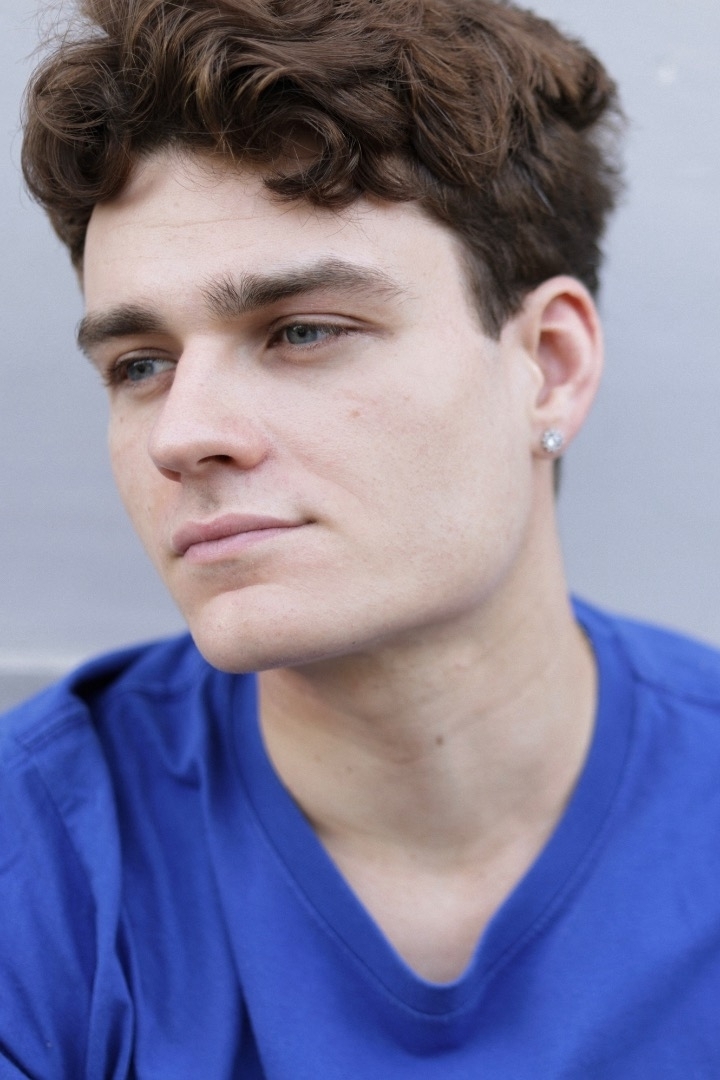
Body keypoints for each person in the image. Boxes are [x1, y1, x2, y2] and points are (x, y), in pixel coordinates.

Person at [2, 0, 719, 1075]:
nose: (181, 436)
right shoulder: (41, 861)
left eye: (302, 331)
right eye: (140, 364)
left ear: (550, 365)